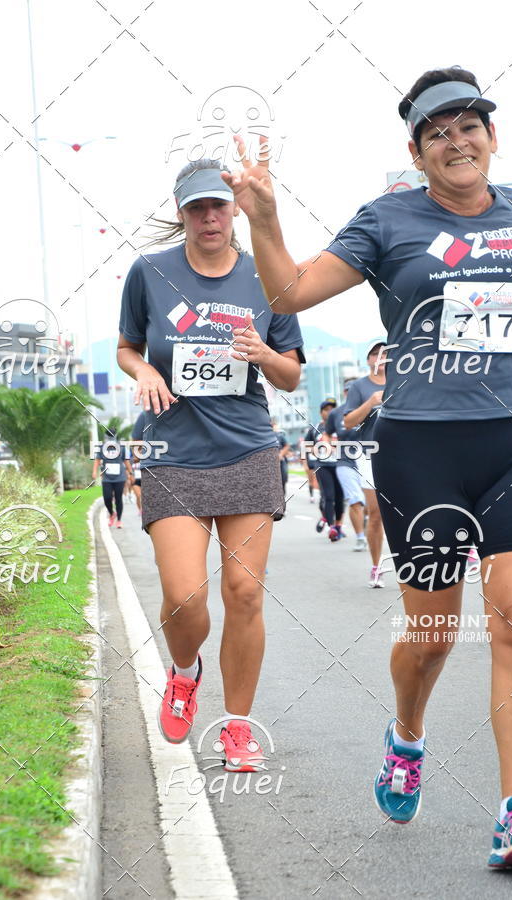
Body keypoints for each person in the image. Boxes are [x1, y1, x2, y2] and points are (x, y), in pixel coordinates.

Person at [223, 67, 512, 867]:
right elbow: (288, 293)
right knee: (430, 637)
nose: (457, 140)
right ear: (417, 151)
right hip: (423, 448)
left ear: (492, 137)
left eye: (469, 125)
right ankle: (407, 732)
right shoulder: (387, 220)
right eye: (438, 131)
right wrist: (263, 217)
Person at [117, 158, 304, 771]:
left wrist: (263, 353)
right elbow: (127, 348)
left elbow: (292, 373)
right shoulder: (150, 272)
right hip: (173, 454)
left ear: (236, 210)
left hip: (247, 448)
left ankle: (238, 726)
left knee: (244, 592)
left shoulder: (265, 277)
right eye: (197, 207)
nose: (209, 217)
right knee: (182, 596)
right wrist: (144, 370)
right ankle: (185, 669)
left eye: (219, 206)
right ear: (182, 213)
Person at [342, 341, 387, 586]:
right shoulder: (360, 386)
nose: (381, 358)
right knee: (376, 513)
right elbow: (348, 422)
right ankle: (376, 566)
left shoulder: (404, 382)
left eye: (386, 354)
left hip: (403, 453)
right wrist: (370, 402)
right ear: (368, 360)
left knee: (408, 511)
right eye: (376, 354)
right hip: (370, 453)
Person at [324, 379, 367, 552]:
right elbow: (327, 434)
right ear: (345, 393)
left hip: (368, 460)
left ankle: (370, 531)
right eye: (348, 391)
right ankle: (361, 538)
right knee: (355, 499)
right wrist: (327, 444)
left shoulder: (370, 408)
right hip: (344, 461)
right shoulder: (336, 413)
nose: (352, 393)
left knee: (370, 505)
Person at [304, 399, 345, 541]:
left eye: (332, 409)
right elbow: (307, 445)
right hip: (323, 466)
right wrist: (315, 451)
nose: (329, 412)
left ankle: (338, 526)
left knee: (340, 498)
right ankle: (331, 527)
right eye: (326, 409)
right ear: (321, 412)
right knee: (329, 496)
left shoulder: (341, 426)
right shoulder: (315, 428)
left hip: (340, 465)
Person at [92, 431, 133, 528]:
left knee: (119, 499)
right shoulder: (102, 448)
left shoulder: (121, 448)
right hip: (107, 478)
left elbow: (126, 461)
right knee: (107, 498)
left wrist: (130, 473)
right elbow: (97, 460)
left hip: (120, 477)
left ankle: (119, 520)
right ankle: (111, 514)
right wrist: (94, 471)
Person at [271, 418, 290, 501]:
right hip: (270, 465)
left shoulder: (280, 436)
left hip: (281, 463)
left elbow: (287, 446)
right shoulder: (264, 436)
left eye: (273, 425)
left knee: (283, 482)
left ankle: (282, 504)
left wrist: (281, 454)